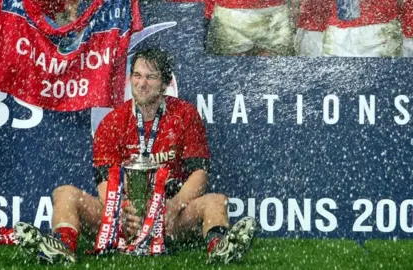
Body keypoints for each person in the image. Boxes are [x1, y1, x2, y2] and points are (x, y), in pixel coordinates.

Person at [14, 48, 256, 264]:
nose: (142, 83)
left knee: (216, 200)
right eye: (137, 75)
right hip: (121, 218)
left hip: (171, 219)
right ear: (129, 79)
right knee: (64, 193)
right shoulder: (112, 122)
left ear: (165, 84)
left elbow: (199, 174)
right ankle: (62, 249)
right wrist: (119, 212)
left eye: (151, 77)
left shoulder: (185, 114)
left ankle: (220, 249)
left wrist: (172, 207)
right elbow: (104, 180)